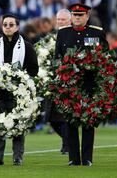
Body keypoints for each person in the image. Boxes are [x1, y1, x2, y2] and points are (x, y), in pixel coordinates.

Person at [55, 3, 108, 166]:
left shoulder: (96, 33)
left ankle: (87, 158)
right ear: (71, 16)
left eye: (80, 15)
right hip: (69, 85)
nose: (77, 18)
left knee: (88, 122)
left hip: (89, 83)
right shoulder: (63, 33)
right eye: (75, 15)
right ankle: (73, 158)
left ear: (87, 16)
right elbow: (57, 57)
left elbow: (105, 57)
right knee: (70, 122)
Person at [0, 14, 38, 166]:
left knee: (18, 124)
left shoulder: (26, 46)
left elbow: (34, 69)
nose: (7, 27)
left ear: (17, 27)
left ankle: (17, 157)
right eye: (5, 24)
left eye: (11, 24)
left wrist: (20, 78)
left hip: (19, 93)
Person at [46, 9, 71, 155]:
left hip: (68, 79)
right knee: (51, 117)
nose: (60, 22)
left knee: (65, 116)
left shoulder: (73, 36)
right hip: (52, 79)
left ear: (70, 20)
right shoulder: (50, 38)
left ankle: (67, 145)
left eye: (63, 19)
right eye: (58, 20)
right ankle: (69, 140)